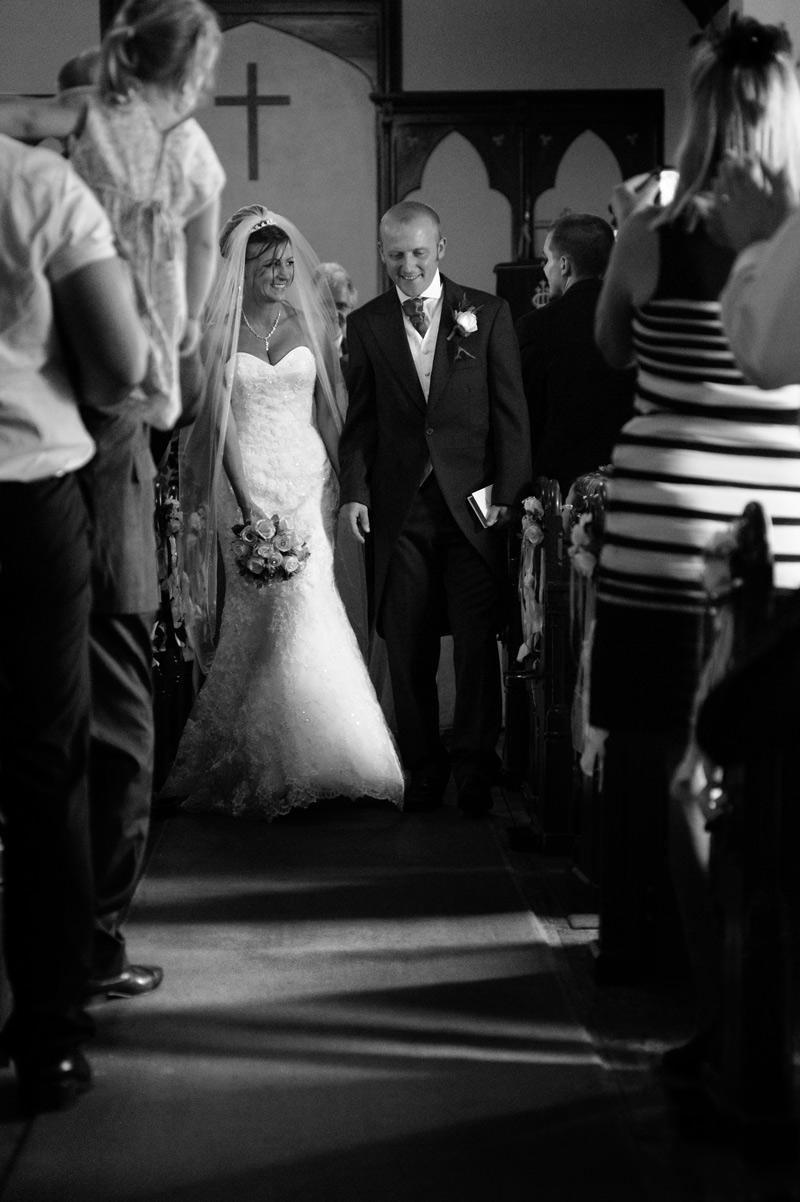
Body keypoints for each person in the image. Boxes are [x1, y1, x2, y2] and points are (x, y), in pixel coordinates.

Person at [590, 16, 800, 1076]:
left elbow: (608, 344)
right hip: (787, 527)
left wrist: (637, 229)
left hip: (667, 523)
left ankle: (718, 1008)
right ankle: (774, 1007)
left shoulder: (658, 225)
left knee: (677, 770)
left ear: (701, 110)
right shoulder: (796, 224)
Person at [160, 205, 404, 818]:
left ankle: (342, 754)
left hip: (308, 480)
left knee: (311, 602)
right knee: (264, 615)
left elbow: (328, 412)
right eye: (271, 265)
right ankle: (262, 753)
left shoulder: (304, 323)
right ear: (243, 267)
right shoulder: (221, 330)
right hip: (248, 482)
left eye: (288, 264)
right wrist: (245, 503)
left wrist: (349, 482)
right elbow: (221, 427)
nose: (283, 273)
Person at [0, 134, 148, 1109]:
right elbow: (113, 365)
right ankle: (47, 1032)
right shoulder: (33, 182)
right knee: (44, 763)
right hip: (20, 496)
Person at [338, 201, 531, 815]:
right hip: (402, 512)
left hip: (474, 510)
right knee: (407, 641)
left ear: (440, 249)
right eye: (396, 255)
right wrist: (355, 493)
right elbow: (360, 425)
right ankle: (423, 766)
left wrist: (509, 493)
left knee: (476, 642)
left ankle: (475, 766)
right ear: (383, 255)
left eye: (419, 253)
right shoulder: (367, 325)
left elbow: (511, 413)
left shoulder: (489, 313)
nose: (408, 266)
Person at [0, 0, 225, 433]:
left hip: (88, 268)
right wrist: (192, 316)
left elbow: (26, 119)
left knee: (76, 384)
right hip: (160, 292)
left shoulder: (97, 107)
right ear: (197, 70)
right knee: (133, 402)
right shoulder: (198, 150)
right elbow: (200, 245)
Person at [515, 214, 634, 498]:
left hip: (558, 485)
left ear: (564, 264)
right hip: (628, 475)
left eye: (547, 259)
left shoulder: (537, 326)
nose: (545, 269)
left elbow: (523, 414)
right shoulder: (636, 320)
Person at [316, 261, 358, 368]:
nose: (333, 313)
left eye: (341, 306)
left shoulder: (360, 354)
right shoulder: (297, 352)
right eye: (325, 305)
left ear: (351, 309)